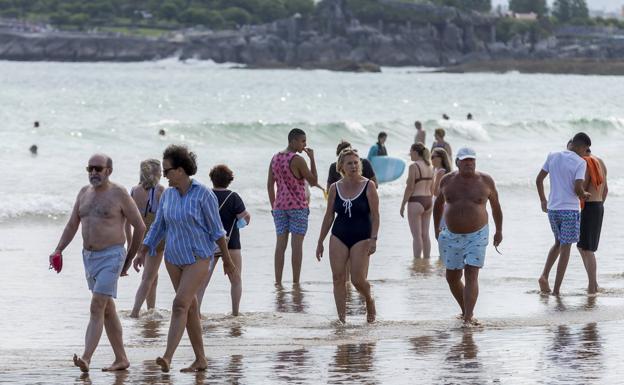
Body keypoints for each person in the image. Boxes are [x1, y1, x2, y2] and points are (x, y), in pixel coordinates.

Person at [135, 145, 238, 373]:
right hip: (173, 258)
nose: (165, 175)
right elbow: (158, 226)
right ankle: (201, 359)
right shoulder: (168, 195)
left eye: (168, 171)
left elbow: (217, 230)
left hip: (198, 257)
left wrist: (228, 261)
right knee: (190, 308)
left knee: (179, 304)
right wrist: (142, 250)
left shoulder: (204, 194)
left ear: (181, 170)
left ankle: (168, 357)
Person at [49, 154, 146, 372]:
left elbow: (139, 226)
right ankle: (121, 358)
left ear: (109, 171)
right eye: (90, 169)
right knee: (108, 309)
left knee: (97, 305)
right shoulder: (84, 193)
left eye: (98, 169)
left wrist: (129, 258)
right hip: (89, 258)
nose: (93, 172)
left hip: (112, 256)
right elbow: (72, 224)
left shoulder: (119, 193)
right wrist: (58, 249)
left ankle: (86, 358)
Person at [433, 147, 503, 326]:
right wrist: (436, 230)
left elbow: (496, 206)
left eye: (471, 160)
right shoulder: (447, 180)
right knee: (452, 278)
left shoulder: (485, 181)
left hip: (477, 234)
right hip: (451, 235)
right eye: (465, 160)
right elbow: (438, 205)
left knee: (471, 273)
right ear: (457, 162)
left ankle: (468, 318)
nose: (469, 163)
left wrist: (499, 230)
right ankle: (466, 311)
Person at [316, 148, 380, 323]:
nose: (354, 166)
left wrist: (374, 238)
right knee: (338, 278)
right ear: (341, 167)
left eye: (356, 162)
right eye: (349, 163)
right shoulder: (335, 188)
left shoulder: (368, 185)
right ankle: (342, 321)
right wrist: (320, 240)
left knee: (358, 280)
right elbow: (329, 216)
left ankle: (369, 298)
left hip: (362, 236)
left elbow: (375, 215)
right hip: (339, 234)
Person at [536, 133, 592, 295]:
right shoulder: (580, 162)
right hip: (569, 209)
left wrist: (543, 200)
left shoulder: (553, 155)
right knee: (566, 249)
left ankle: (544, 275)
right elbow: (577, 189)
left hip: (553, 209)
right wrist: (585, 194)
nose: (586, 152)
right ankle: (556, 290)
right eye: (586, 149)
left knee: (557, 243)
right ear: (581, 147)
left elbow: (539, 180)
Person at [196, 164, 251, 316]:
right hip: (232, 243)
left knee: (202, 283)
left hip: (209, 244)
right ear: (229, 180)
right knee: (236, 280)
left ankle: (196, 313)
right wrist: (244, 221)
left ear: (212, 179)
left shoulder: (205, 195)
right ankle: (235, 312)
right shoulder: (233, 197)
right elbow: (243, 218)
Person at [267, 128, 318, 285]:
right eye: (302, 141)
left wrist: (273, 207)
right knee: (297, 247)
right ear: (293, 141)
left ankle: (278, 281)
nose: (304, 144)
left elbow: (269, 186)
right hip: (297, 207)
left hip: (280, 207)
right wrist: (312, 159)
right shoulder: (297, 159)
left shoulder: (275, 158)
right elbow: (314, 182)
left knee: (280, 246)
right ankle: (296, 281)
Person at [127, 159, 166, 318]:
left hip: (139, 236)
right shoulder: (160, 190)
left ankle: (151, 310)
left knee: (152, 276)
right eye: (161, 171)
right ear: (156, 173)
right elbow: (165, 217)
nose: (163, 174)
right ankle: (135, 312)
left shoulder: (134, 191)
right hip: (156, 239)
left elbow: (126, 220)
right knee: (148, 277)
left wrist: (130, 242)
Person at [578, 148, 607, 294]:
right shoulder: (600, 161)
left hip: (589, 207)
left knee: (587, 249)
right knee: (582, 246)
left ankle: (592, 287)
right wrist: (599, 204)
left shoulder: (585, 162)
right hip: (598, 205)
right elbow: (605, 189)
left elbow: (582, 189)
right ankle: (593, 283)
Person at [400, 143, 434, 258]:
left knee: (416, 236)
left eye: (411, 151)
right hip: (429, 200)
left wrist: (403, 204)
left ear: (415, 152)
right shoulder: (430, 166)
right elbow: (432, 187)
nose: (410, 154)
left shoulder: (413, 166)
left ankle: (417, 263)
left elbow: (410, 187)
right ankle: (427, 261)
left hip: (416, 200)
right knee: (425, 234)